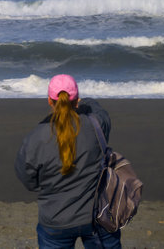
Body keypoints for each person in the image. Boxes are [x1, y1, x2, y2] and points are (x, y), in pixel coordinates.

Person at [15, 74, 121, 248]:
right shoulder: (96, 125)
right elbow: (100, 111)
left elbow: (28, 180)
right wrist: (85, 101)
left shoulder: (35, 138)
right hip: (98, 215)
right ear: (76, 101)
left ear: (50, 101)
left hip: (55, 218)